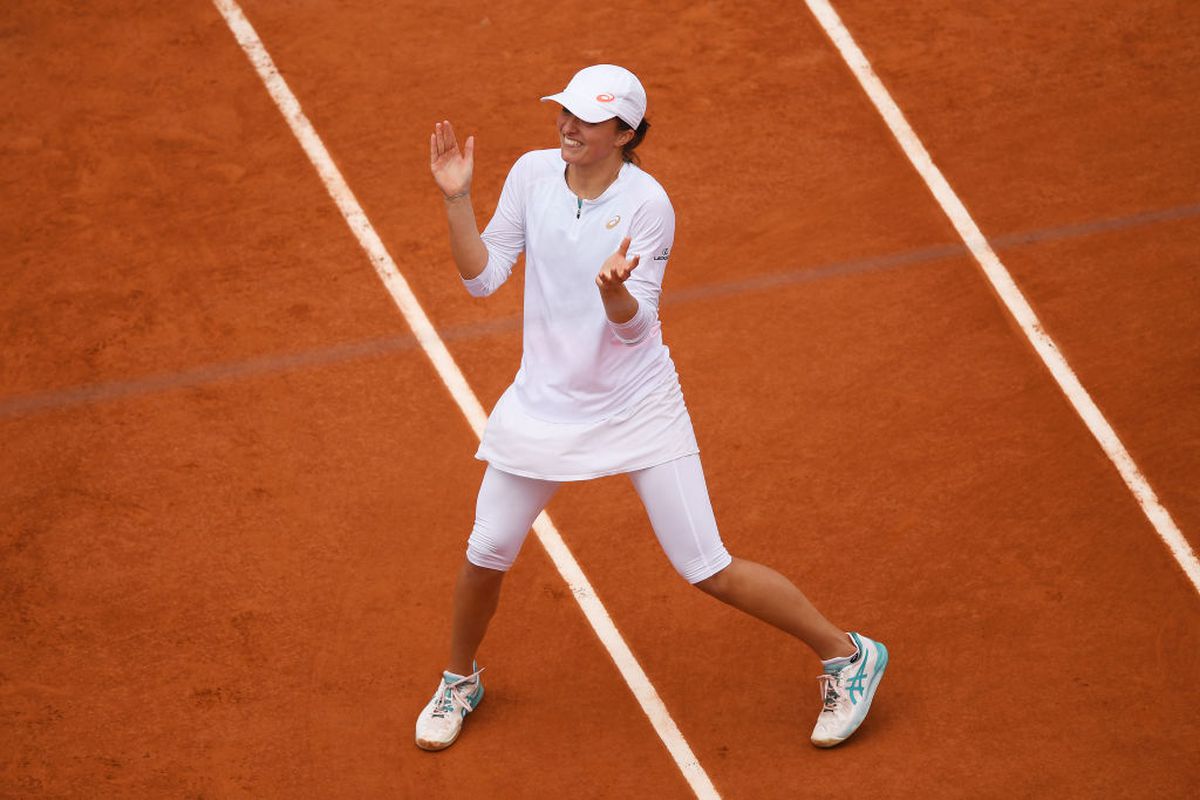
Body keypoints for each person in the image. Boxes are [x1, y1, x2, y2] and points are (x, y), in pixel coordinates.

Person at [416, 64, 887, 752]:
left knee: (706, 567)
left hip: (637, 406)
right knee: (486, 552)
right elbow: (483, 279)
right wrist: (458, 199)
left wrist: (614, 293)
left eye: (587, 119)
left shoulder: (648, 204)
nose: (567, 126)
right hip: (544, 406)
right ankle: (459, 680)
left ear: (624, 134)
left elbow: (637, 329)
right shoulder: (530, 174)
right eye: (565, 111)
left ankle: (848, 654)